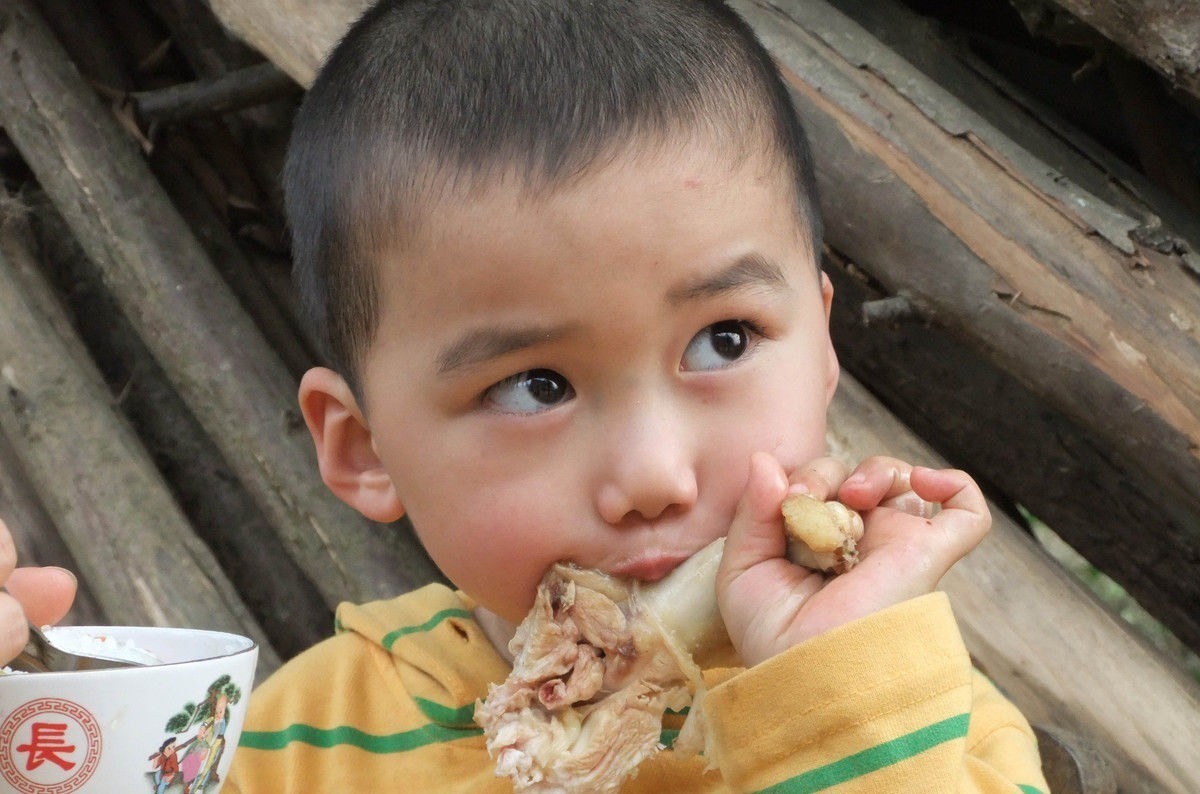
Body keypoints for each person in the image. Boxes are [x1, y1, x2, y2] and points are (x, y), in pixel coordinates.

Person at [3, 0, 1048, 791]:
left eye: (724, 338)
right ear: (364, 448)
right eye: (534, 384)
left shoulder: (921, 722)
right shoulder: (302, 742)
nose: (650, 472)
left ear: (822, 347)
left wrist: (833, 707)